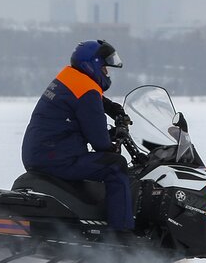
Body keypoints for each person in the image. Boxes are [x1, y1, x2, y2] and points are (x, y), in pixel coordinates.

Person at [21, 39, 134, 232]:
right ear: (93, 65)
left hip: (41, 153)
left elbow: (84, 99)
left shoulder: (68, 77)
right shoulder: (87, 92)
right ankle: (121, 233)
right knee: (116, 165)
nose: (107, 73)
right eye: (106, 69)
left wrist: (112, 109)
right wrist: (112, 144)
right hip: (57, 157)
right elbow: (100, 142)